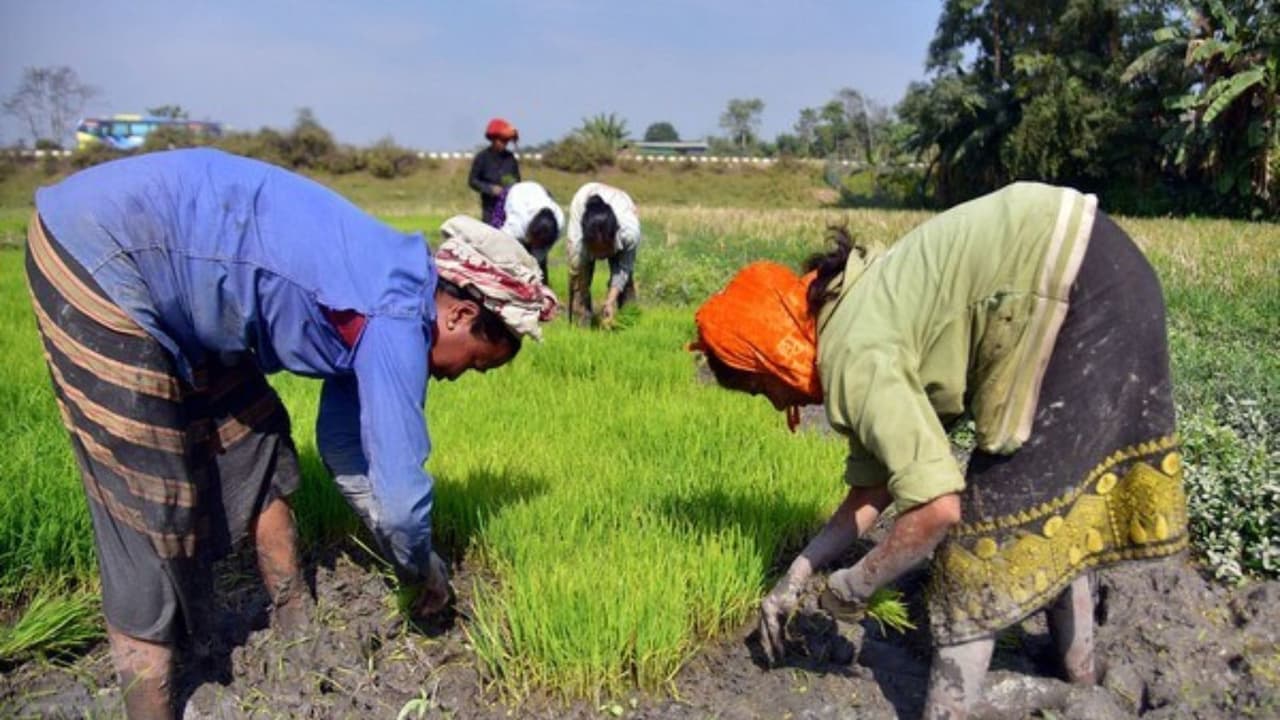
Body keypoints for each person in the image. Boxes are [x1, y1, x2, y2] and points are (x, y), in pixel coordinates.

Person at [25, 148, 557, 720]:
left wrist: (397, 544)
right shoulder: (396, 319)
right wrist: (422, 566)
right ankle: (148, 706)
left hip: (185, 276)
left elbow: (347, 450)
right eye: (474, 363)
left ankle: (293, 623)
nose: (456, 377)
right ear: (458, 316)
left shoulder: (391, 287)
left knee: (254, 435)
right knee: (149, 496)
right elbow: (402, 502)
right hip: (103, 248)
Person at [691, 182, 1187, 719]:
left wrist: (857, 585)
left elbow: (937, 509)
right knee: (1051, 501)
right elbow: (874, 485)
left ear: (770, 357)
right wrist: (800, 573)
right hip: (1102, 266)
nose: (773, 402)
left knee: (983, 538)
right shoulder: (850, 306)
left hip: (1074, 292)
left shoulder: (855, 355)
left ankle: (950, 710)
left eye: (761, 388)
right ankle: (1080, 675)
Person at [565, 182, 641, 327]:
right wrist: (581, 294)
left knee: (626, 282)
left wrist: (610, 301)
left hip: (622, 203)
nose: (601, 256)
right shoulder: (578, 242)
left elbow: (623, 269)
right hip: (583, 199)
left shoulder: (629, 234)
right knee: (578, 282)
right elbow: (576, 272)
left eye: (605, 250)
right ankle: (580, 325)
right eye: (596, 250)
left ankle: (629, 322)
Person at [489, 180, 564, 283]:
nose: (536, 246)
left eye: (540, 245)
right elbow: (502, 247)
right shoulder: (516, 224)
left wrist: (533, 272)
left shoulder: (559, 223)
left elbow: (538, 257)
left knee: (537, 267)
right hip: (514, 193)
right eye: (535, 243)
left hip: (538, 192)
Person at [469, 117, 521, 224]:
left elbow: (517, 180)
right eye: (502, 140)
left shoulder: (511, 158)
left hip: (509, 209)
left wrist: (510, 186)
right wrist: (490, 189)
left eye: (506, 141)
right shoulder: (482, 158)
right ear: (493, 139)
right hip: (489, 209)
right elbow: (472, 181)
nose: (504, 144)